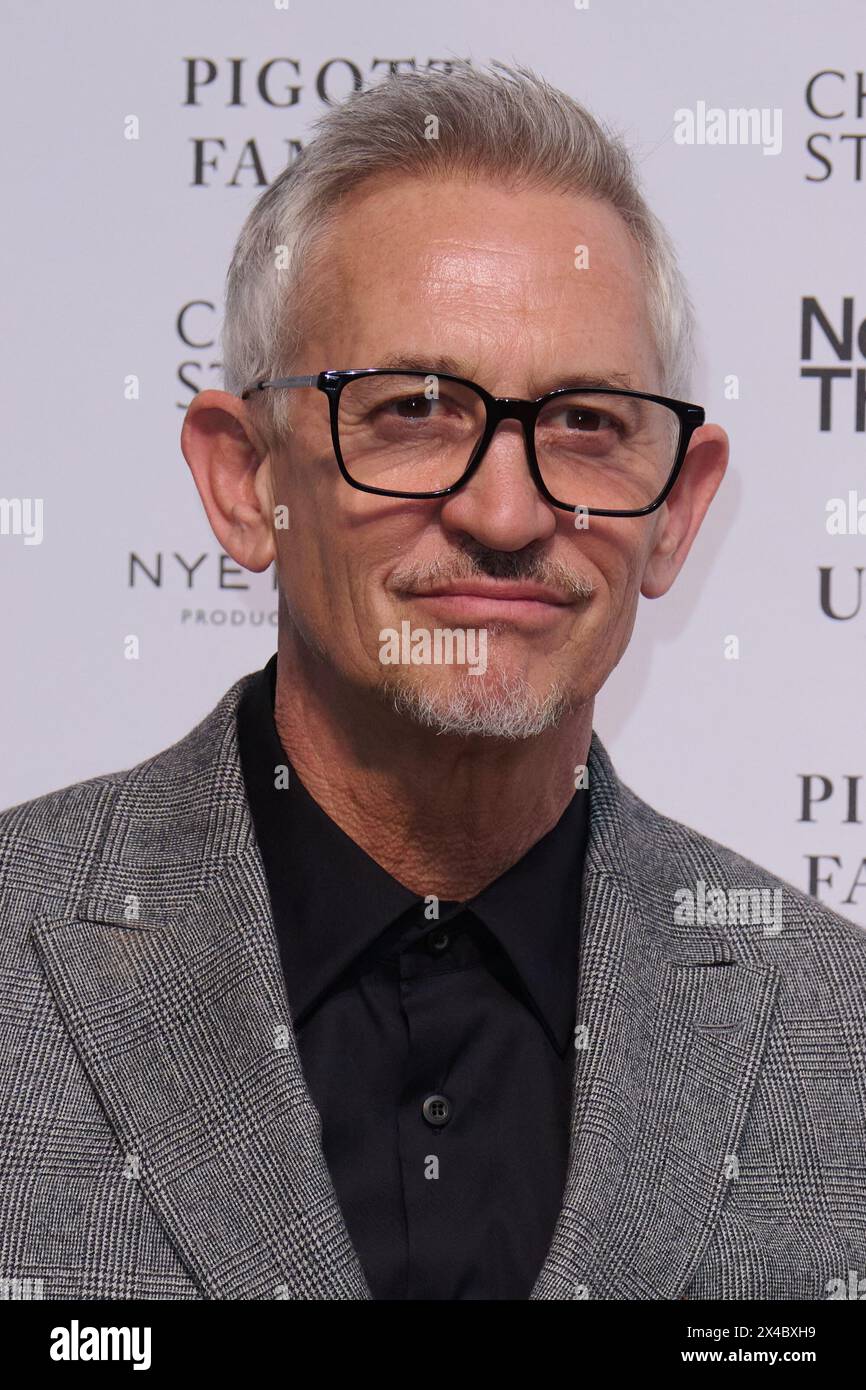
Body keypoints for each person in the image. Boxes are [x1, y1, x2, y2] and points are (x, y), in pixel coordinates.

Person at [2, 63, 864, 1302]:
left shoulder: (836, 1035)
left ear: (675, 511)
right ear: (246, 480)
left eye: (584, 423)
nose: (505, 511)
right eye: (412, 409)